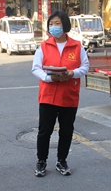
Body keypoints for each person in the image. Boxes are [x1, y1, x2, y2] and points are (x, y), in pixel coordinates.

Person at [31, 11, 89, 177]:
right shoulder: (44, 46)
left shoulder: (77, 46)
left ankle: (61, 160)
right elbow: (36, 68)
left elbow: (85, 67)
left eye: (57, 23)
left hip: (68, 96)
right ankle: (41, 161)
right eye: (51, 24)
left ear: (65, 26)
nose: (53, 27)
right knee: (44, 131)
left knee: (66, 131)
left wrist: (72, 73)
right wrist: (49, 77)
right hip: (48, 96)